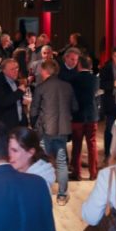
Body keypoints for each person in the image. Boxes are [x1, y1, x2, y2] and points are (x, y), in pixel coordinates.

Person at [30, 59, 78, 205]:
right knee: (62, 162)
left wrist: (33, 125)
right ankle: (62, 195)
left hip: (45, 130)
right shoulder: (67, 86)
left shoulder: (40, 88)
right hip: (63, 130)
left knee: (45, 162)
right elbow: (75, 107)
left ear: (45, 71)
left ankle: (44, 192)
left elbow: (34, 110)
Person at [70, 56, 100, 181]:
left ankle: (77, 173)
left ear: (79, 65)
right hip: (91, 115)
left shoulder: (73, 79)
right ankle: (93, 173)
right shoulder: (95, 79)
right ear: (90, 66)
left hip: (77, 116)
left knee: (77, 145)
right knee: (92, 144)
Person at [0, 58, 29, 130]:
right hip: (4, 125)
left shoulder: (15, 81)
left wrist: (22, 100)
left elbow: (14, 99)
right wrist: (19, 91)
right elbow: (4, 101)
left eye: (17, 68)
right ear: (4, 70)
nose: (16, 71)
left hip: (18, 123)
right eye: (12, 69)